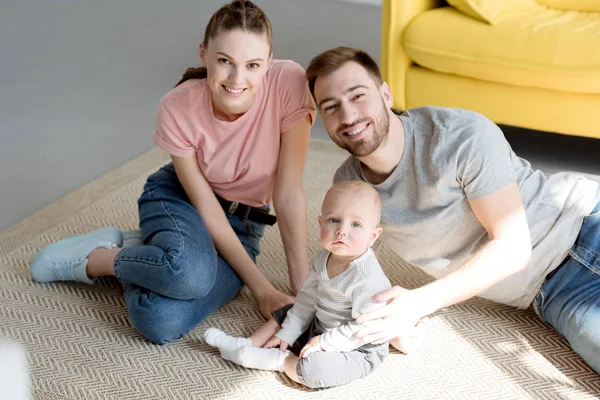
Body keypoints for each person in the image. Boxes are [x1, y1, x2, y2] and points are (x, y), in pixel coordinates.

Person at [29, 0, 316, 345]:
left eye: (253, 65)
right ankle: (99, 259)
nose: (237, 80)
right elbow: (206, 205)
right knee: (190, 275)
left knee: (158, 320)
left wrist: (302, 293)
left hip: (245, 226)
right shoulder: (177, 105)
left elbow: (287, 193)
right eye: (224, 61)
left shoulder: (290, 83)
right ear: (204, 53)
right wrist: (261, 288)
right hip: (178, 200)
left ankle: (155, 251)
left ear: (269, 64)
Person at [303, 47, 600, 373]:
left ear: (385, 94)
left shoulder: (459, 136)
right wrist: (387, 324)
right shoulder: (350, 187)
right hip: (551, 296)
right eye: (331, 107)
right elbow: (351, 277)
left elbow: (513, 249)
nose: (347, 116)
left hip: (581, 228)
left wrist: (417, 303)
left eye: (357, 95)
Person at [203, 180, 402, 388]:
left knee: (314, 370)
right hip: (321, 325)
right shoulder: (322, 258)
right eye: (334, 220)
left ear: (373, 236)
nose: (342, 230)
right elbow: (307, 300)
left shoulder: (368, 279)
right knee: (289, 309)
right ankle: (246, 344)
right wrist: (287, 334)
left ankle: (276, 360)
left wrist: (324, 343)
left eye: (356, 225)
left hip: (357, 345)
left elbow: (363, 329)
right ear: (320, 222)